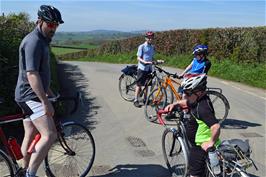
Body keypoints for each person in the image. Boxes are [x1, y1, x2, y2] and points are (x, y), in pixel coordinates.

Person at [14, 5, 64, 177]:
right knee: (50, 134)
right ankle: (31, 173)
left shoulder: (41, 40)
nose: (54, 29)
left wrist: (49, 91)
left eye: (56, 25)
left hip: (26, 94)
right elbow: (32, 75)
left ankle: (21, 170)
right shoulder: (34, 42)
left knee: (30, 133)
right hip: (30, 96)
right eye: (50, 25)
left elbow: (41, 75)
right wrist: (45, 102)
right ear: (40, 21)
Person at [164, 74, 221, 177]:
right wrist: (175, 104)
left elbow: (215, 126)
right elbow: (186, 102)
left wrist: (210, 142)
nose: (185, 95)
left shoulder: (202, 108)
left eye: (188, 93)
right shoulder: (199, 99)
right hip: (202, 141)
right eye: (184, 92)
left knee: (194, 174)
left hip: (201, 145)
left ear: (198, 92)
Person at [134, 31, 156, 108]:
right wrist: (144, 62)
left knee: (147, 85)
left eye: (151, 38)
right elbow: (138, 57)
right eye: (148, 37)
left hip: (149, 68)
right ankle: (136, 100)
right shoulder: (142, 47)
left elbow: (151, 57)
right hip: (142, 68)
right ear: (145, 38)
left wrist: (156, 61)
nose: (150, 39)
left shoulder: (152, 47)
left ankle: (145, 99)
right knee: (139, 84)